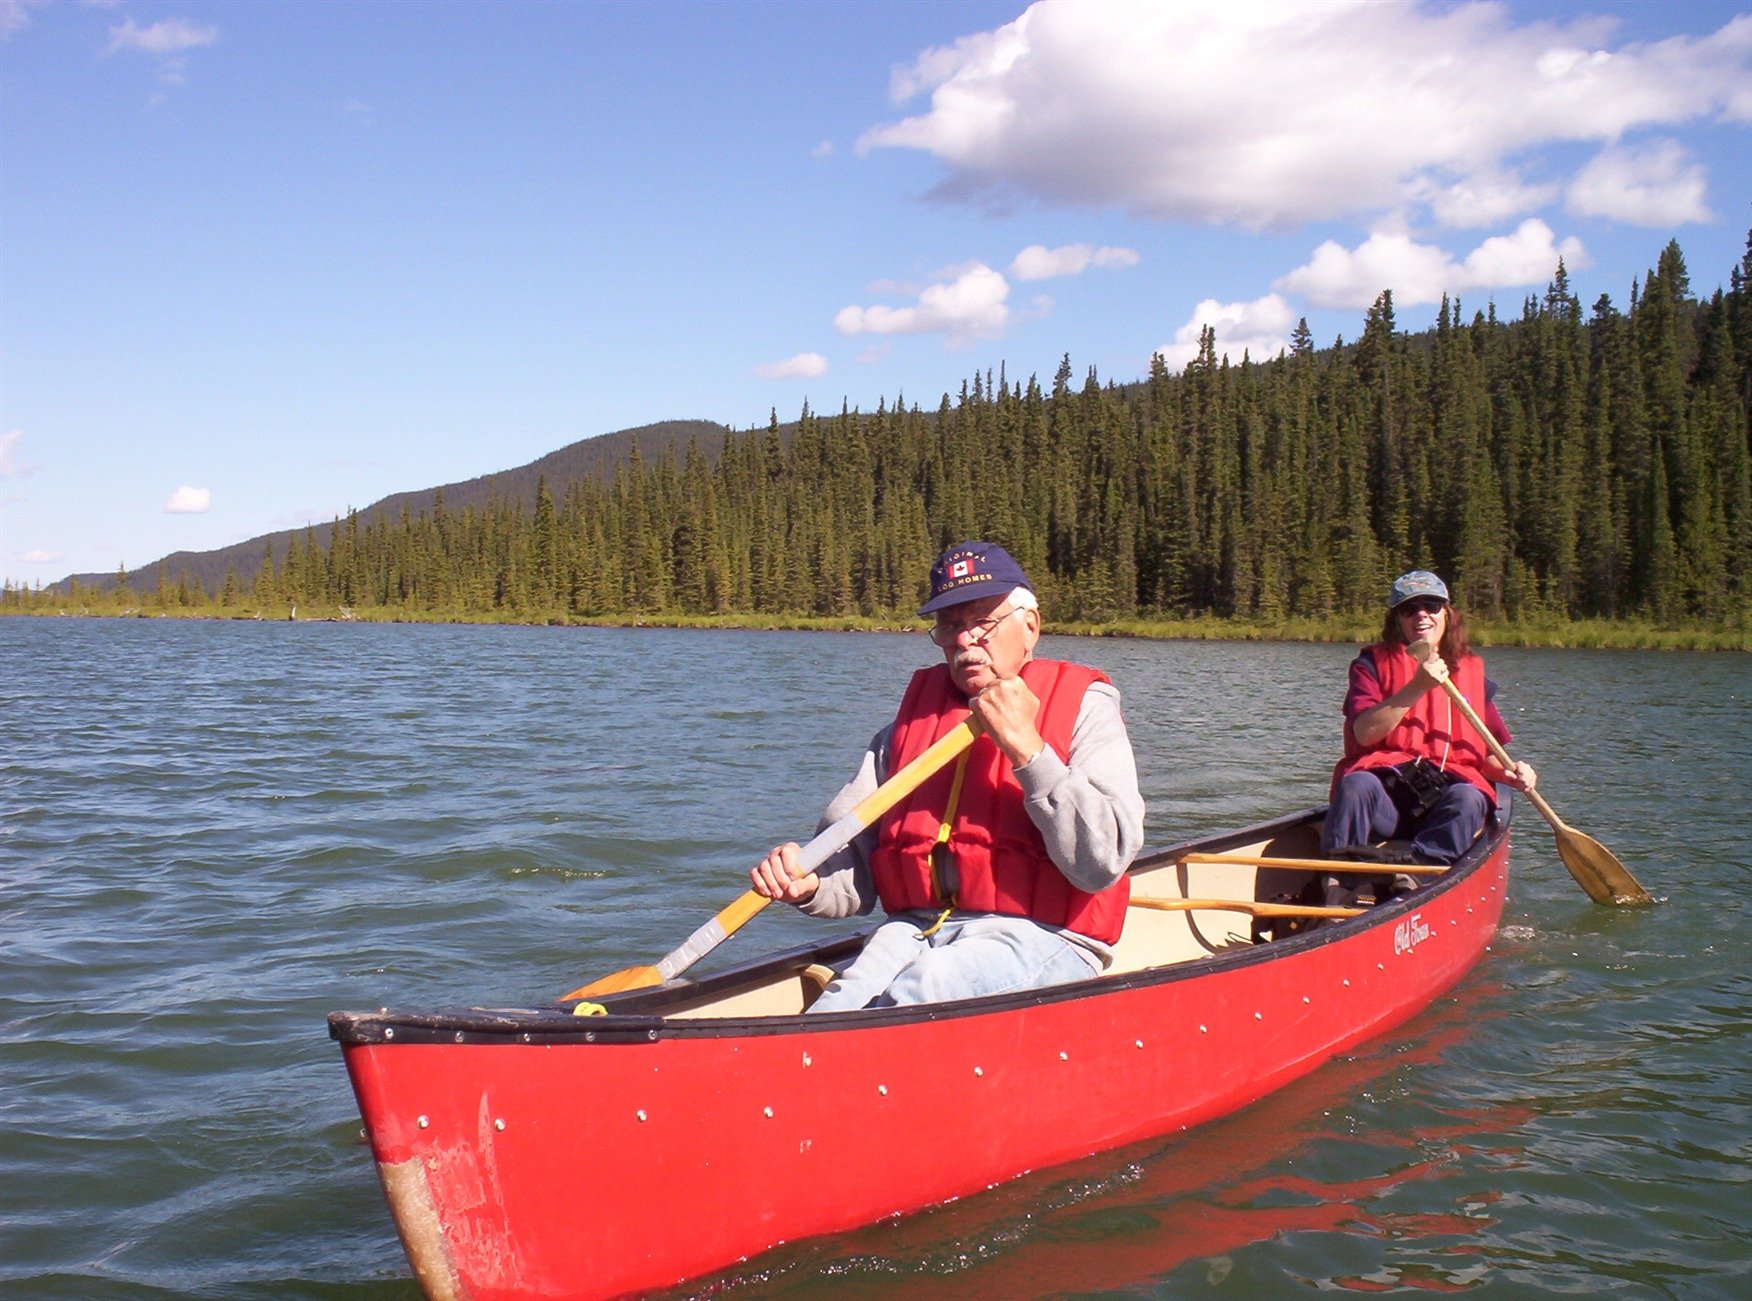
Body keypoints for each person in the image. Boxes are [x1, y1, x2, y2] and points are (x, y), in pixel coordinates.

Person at [750, 541, 1145, 1012]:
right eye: (950, 625)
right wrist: (811, 885)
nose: (964, 639)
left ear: (1030, 627)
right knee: (839, 1003)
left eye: (983, 621)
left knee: (924, 987)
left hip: (1044, 933)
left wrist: (1028, 750)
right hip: (916, 926)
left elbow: (1102, 862)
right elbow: (850, 878)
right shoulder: (902, 732)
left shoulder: (1085, 707)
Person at [1321, 570, 1536, 904]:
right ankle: (1338, 889)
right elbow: (1364, 733)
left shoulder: (1472, 675)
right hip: (1387, 801)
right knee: (1356, 785)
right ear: (1397, 620)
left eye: (1432, 605)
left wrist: (1515, 772)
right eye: (1410, 609)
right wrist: (1417, 687)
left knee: (1469, 798)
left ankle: (1416, 878)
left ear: (1446, 614)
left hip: (1443, 802)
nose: (1422, 614)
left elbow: (1489, 753)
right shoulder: (1370, 666)